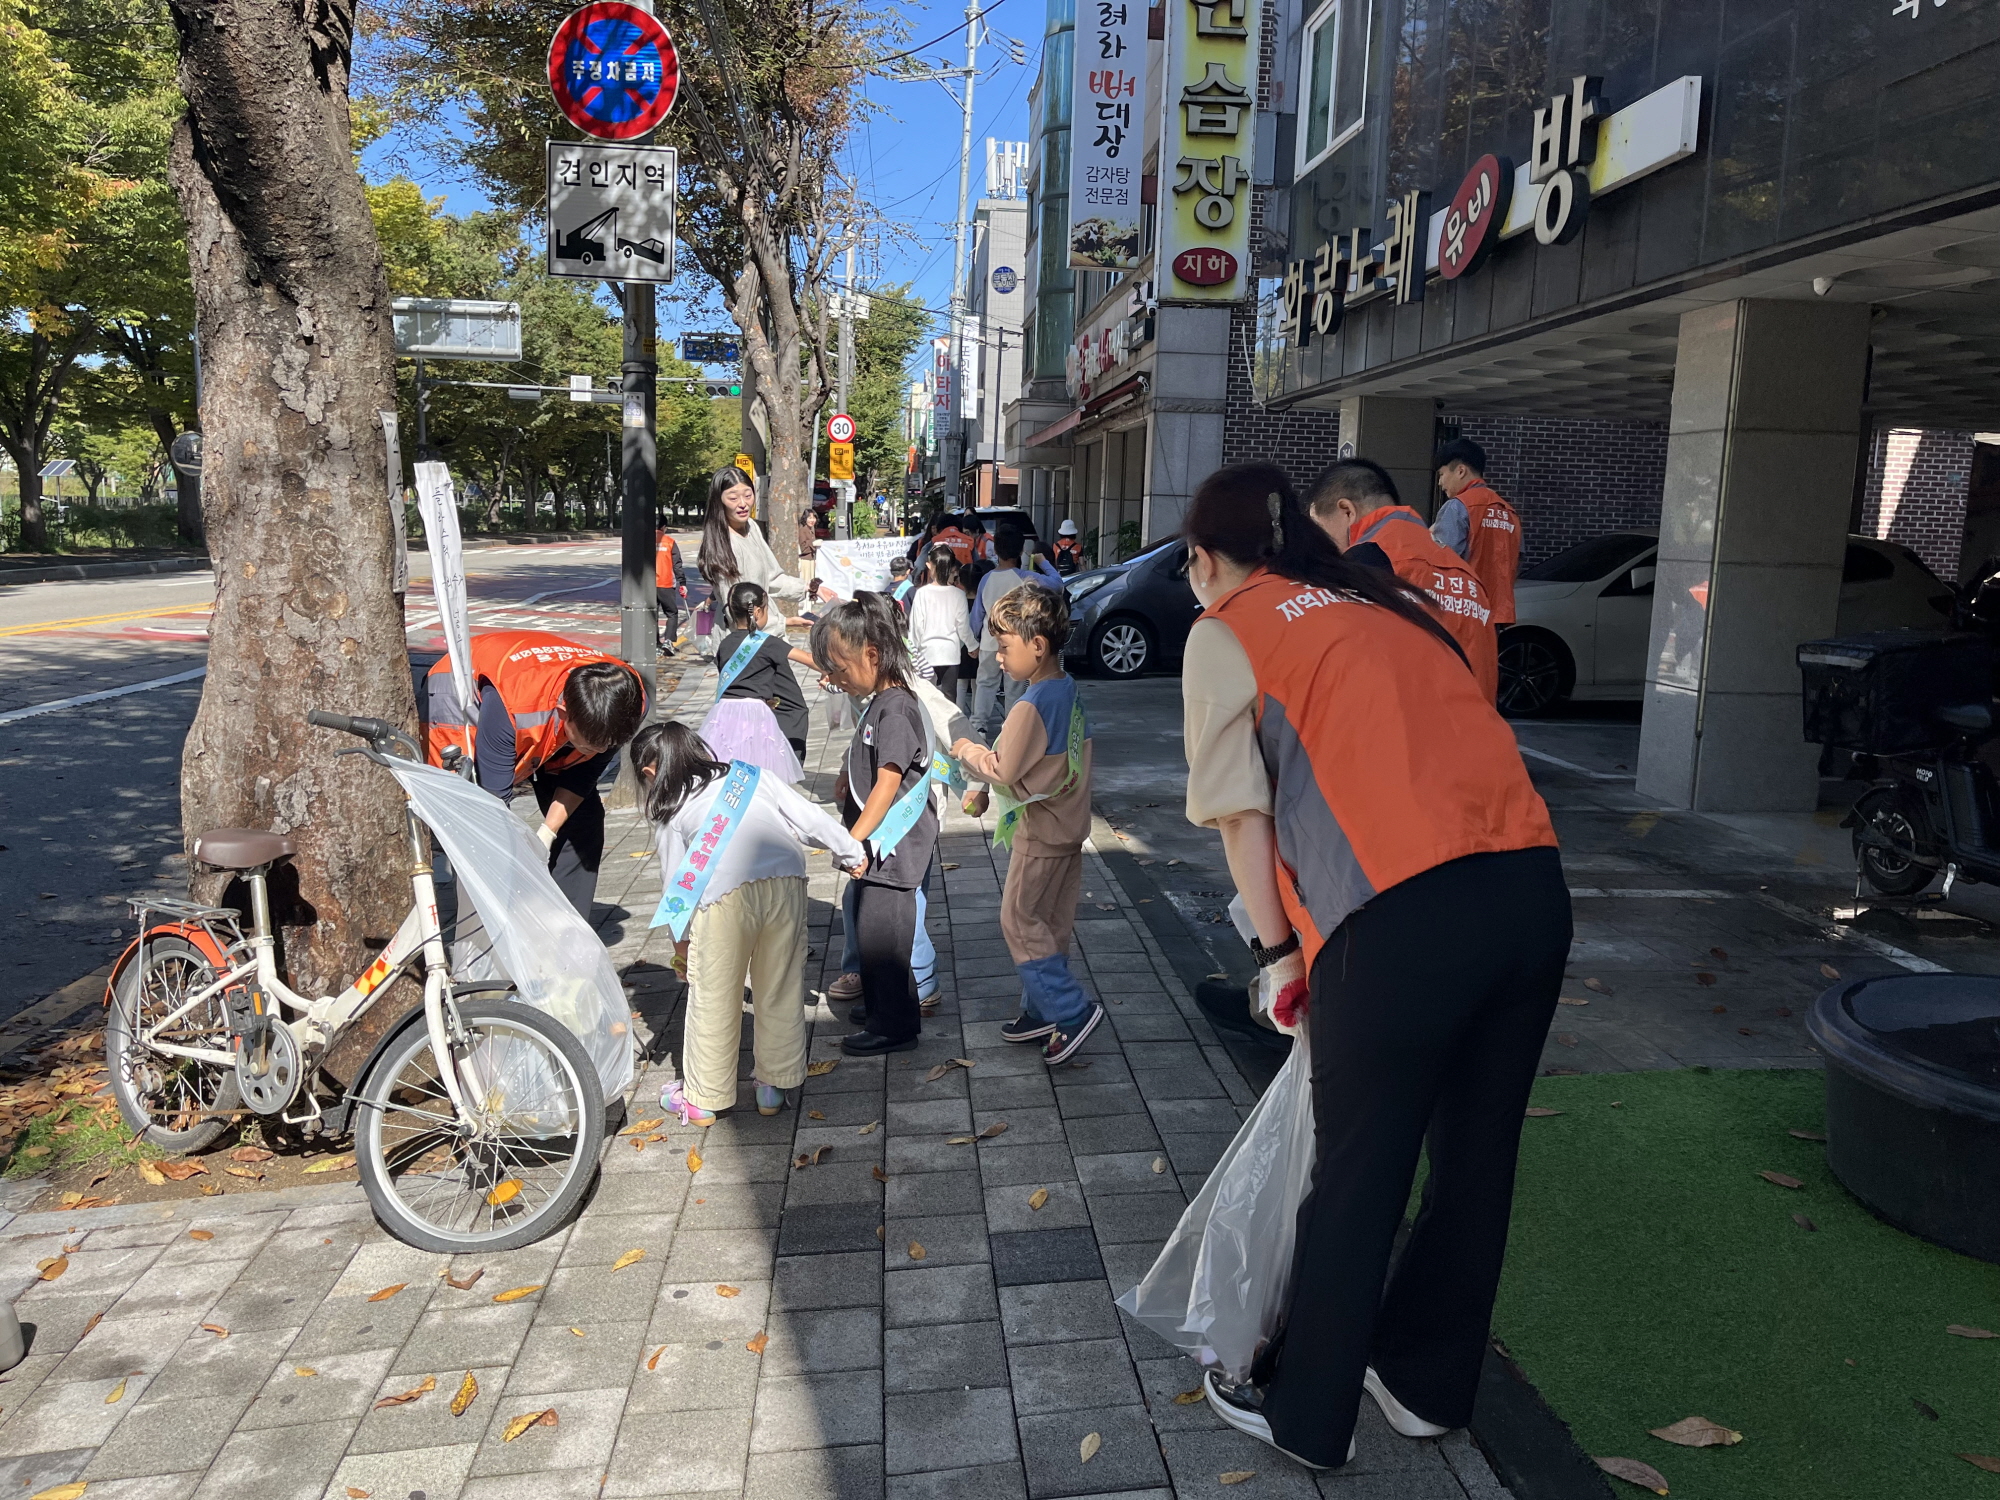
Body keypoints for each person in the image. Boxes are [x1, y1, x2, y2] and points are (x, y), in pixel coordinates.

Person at [1178, 461, 1567, 1471]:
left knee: (1357, 1170)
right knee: (1476, 1160)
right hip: (1529, 894)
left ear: (1200, 558)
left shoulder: (1228, 628)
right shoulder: (1382, 604)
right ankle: (1421, 1382)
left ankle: (1304, 1413)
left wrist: (1273, 956)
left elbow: (1239, 819)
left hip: (1395, 920)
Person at [635, 721, 866, 1127]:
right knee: (778, 984)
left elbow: (676, 884)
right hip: (787, 881)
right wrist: (850, 852)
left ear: (651, 773)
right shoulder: (749, 775)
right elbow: (808, 817)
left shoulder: (671, 808)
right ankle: (773, 1087)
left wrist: (682, 945)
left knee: (715, 994)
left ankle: (704, 1099)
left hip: (723, 897)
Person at [951, 582, 1102, 1064]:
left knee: (1017, 919)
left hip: (1040, 833)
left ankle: (1070, 1010)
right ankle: (1041, 1013)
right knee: (1051, 924)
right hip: (1069, 827)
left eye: (1004, 645)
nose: (997, 655)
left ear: (1037, 646)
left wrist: (964, 749)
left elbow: (1003, 767)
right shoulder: (1065, 689)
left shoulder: (1030, 703)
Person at [426, 629, 646, 919]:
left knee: (584, 820)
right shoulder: (511, 708)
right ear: (563, 712)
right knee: (478, 828)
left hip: (544, 706)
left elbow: (581, 776)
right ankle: (491, 924)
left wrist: (548, 831)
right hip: (465, 695)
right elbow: (495, 800)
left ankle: (566, 925)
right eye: (589, 744)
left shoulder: (625, 701)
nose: (601, 749)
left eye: (606, 744)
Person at [811, 599, 939, 1056]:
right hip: (881, 847)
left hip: (894, 846)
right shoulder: (879, 703)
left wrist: (852, 839)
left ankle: (895, 1026)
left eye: (841, 668)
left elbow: (888, 783)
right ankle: (888, 1005)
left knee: (884, 937)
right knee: (872, 931)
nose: (837, 679)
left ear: (872, 653)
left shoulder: (896, 707)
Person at [1306, 458, 1499, 702]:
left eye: (1323, 532)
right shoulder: (1465, 573)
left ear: (1347, 511)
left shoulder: (1368, 561)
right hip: (1478, 731)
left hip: (1410, 731)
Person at [700, 580, 815, 778]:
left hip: (724, 713)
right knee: (761, 769)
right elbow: (808, 660)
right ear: (759, 612)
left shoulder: (725, 643)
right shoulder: (768, 643)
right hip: (755, 712)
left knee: (727, 767)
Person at [697, 466, 807, 650]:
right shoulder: (722, 545)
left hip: (767, 636)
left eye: (748, 495)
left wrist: (809, 588)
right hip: (742, 647)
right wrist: (784, 622)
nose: (743, 503)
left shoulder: (751, 527)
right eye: (733, 498)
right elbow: (736, 612)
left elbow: (772, 578)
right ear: (719, 501)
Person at [971, 526, 1064, 739]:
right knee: (1013, 686)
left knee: (985, 683)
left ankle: (979, 726)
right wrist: (1042, 561)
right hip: (1017, 642)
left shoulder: (986, 579)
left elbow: (977, 614)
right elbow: (1058, 585)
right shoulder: (1027, 578)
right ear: (1021, 550)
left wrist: (973, 640)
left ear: (997, 551)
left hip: (988, 641)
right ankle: (1010, 726)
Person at [1430, 437, 1521, 627]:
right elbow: (1515, 562)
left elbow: (1440, 563)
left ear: (1460, 471)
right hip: (1498, 615)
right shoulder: (1508, 512)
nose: (1440, 482)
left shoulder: (1457, 507)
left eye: (1442, 474)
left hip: (1463, 612)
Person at [909, 550, 976, 702]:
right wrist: (972, 646)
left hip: (926, 653)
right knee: (949, 698)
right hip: (950, 652)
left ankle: (928, 725)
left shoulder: (922, 593)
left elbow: (916, 627)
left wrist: (913, 654)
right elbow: (963, 627)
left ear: (929, 566)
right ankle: (947, 726)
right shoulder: (958, 594)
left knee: (926, 698)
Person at [655, 524, 688, 653]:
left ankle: (655, 642)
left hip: (648, 584)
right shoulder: (670, 542)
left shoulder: (645, 540)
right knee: (672, 613)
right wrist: (682, 583)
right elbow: (677, 565)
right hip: (666, 583)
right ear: (664, 527)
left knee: (652, 614)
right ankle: (668, 641)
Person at [796, 506, 819, 587]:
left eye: (814, 518)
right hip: (805, 560)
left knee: (811, 581)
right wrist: (813, 543)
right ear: (805, 519)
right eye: (810, 518)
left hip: (811, 559)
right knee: (806, 582)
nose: (812, 520)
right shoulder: (803, 530)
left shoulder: (811, 530)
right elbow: (803, 547)